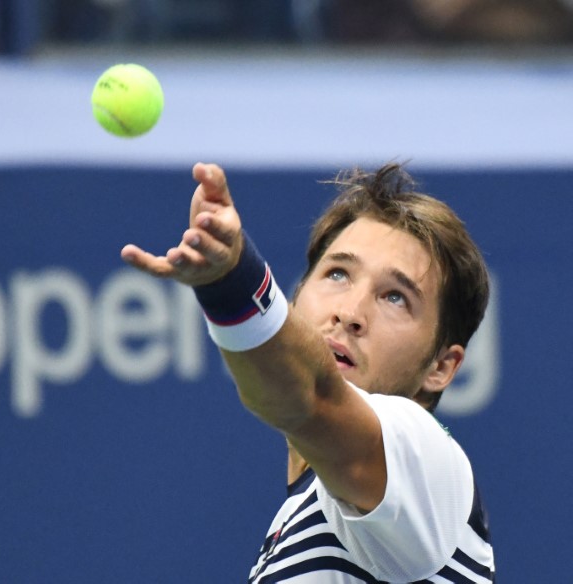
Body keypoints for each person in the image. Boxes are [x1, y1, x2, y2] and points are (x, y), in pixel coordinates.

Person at [121, 162, 495, 582]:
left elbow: (310, 396)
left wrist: (231, 280)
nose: (350, 313)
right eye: (338, 273)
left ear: (441, 368)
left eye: (395, 298)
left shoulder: (425, 462)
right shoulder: (305, 513)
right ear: (295, 300)